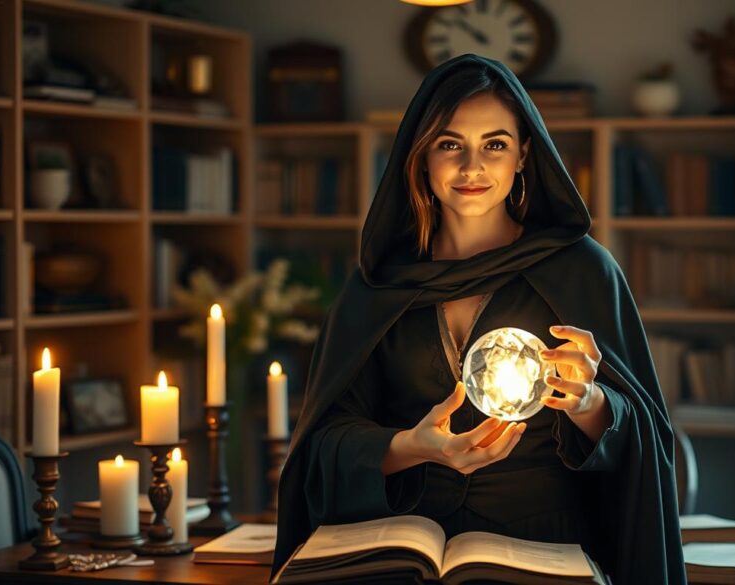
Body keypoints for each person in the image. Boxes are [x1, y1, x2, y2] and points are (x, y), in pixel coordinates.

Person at [271, 54, 686, 584]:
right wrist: (407, 448)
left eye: (494, 144)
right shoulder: (376, 286)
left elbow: (644, 439)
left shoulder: (582, 271)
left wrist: (589, 402)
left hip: (544, 554)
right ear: (420, 158)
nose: (472, 167)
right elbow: (322, 446)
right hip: (399, 554)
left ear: (522, 157)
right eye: (450, 145)